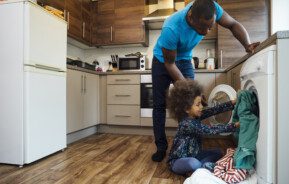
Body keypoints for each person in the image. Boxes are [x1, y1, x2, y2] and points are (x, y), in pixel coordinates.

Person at [151, 0, 260, 162]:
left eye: (210, 26)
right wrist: (190, 91)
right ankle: (161, 147)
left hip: (185, 60)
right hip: (163, 62)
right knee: (160, 105)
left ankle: (190, 146)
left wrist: (247, 44)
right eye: (203, 27)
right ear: (191, 17)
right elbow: (170, 63)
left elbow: (232, 24)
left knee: (193, 105)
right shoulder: (171, 27)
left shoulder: (211, 7)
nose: (207, 31)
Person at [166, 79, 240, 175]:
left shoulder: (195, 115)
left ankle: (198, 169)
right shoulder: (186, 124)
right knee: (193, 163)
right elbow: (209, 130)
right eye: (198, 104)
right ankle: (200, 168)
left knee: (218, 152)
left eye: (200, 103)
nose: (201, 106)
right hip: (178, 161)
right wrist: (234, 126)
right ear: (186, 109)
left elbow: (213, 110)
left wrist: (231, 103)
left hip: (195, 155)